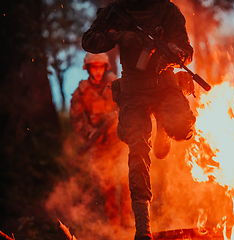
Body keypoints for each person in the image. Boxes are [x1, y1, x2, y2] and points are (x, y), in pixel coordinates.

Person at [82, 0, 196, 239]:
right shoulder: (115, 12)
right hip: (133, 89)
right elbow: (89, 41)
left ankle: (164, 125)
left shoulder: (167, 11)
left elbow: (187, 51)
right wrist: (119, 36)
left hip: (164, 85)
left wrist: (176, 55)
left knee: (182, 128)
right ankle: (143, 229)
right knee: (137, 153)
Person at [70, 52, 133, 236]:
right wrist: (90, 133)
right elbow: (76, 119)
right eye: (93, 67)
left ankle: (128, 219)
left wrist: (118, 121)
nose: (97, 71)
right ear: (88, 69)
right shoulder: (81, 90)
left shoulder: (115, 83)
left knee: (127, 181)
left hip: (119, 141)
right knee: (108, 187)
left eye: (100, 67)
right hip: (99, 145)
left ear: (105, 68)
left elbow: (129, 106)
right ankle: (114, 224)